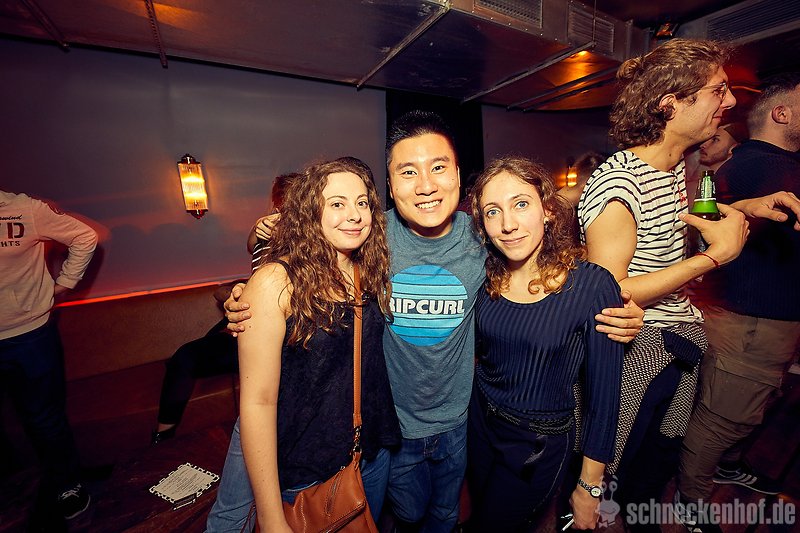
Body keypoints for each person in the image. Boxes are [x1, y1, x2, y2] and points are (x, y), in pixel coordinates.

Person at [223, 112, 645, 532]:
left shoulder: (486, 238)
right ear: (390, 187)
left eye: (438, 168)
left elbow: (543, 273)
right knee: (405, 516)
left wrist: (615, 305)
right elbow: (306, 257)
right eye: (408, 172)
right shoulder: (370, 236)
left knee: (446, 514)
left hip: (461, 423)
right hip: (393, 428)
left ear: (458, 176)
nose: (425, 185)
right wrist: (252, 294)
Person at [577, 38, 750, 532]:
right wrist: (712, 259)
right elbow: (610, 290)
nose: (730, 101)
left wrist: (747, 208)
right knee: (620, 477)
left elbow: (663, 239)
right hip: (638, 354)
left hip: (674, 341)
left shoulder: (671, 168)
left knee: (652, 474)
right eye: (718, 90)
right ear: (671, 104)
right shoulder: (619, 184)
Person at [213, 158, 401, 532]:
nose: (354, 214)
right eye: (337, 203)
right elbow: (258, 403)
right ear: (310, 212)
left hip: (369, 455)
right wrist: (270, 517)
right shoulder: (276, 282)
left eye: (362, 202)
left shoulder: (368, 269)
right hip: (306, 468)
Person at [466, 156, 624, 531]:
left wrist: (589, 487)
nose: (507, 224)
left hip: (536, 442)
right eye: (492, 212)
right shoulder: (484, 276)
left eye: (521, 204)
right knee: (478, 513)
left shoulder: (592, 285)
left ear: (548, 210)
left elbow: (604, 399)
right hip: (480, 424)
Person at [677, 72, 800, 528]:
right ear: (781, 113)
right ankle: (690, 501)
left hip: (764, 318)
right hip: (749, 321)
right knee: (722, 418)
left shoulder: (770, 164)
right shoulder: (758, 166)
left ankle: (726, 466)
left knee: (747, 408)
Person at [152, 174, 298, 444]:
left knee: (188, 358)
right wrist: (257, 228)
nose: (281, 210)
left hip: (276, 336)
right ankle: (162, 440)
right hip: (245, 326)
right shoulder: (267, 232)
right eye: (279, 203)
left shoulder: (308, 241)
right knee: (185, 357)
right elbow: (250, 249)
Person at [0, 189, 98, 521]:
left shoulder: (23, 209)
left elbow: (85, 237)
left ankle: (67, 484)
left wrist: (64, 283)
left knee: (44, 419)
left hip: (28, 335)